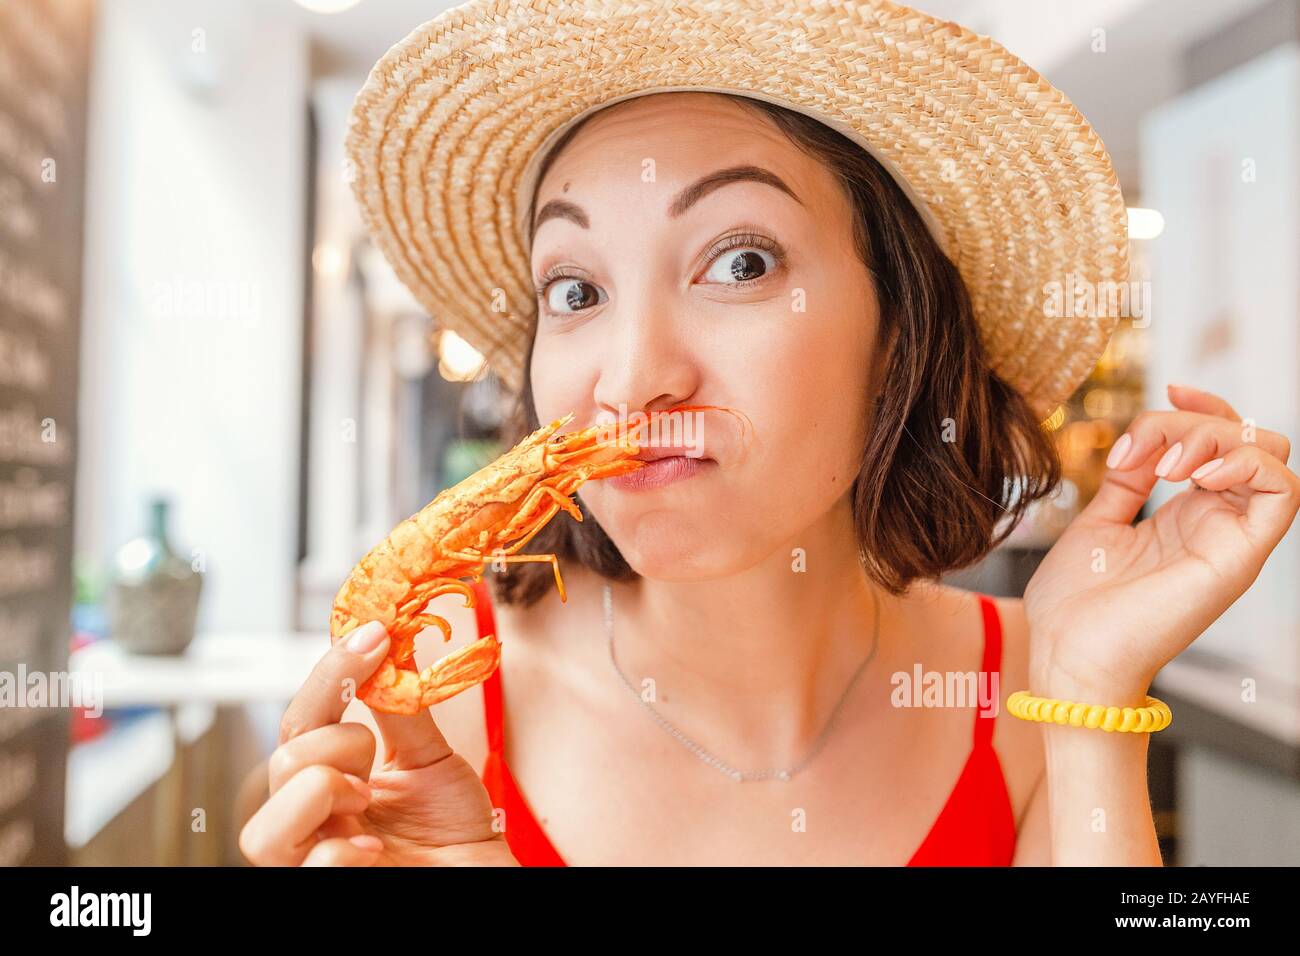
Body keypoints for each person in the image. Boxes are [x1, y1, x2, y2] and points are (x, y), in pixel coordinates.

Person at [239, 0, 1300, 866]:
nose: (633, 375)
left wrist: (1086, 704)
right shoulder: (419, 735)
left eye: (739, 262)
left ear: (898, 331)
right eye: (573, 287)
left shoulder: (1036, 685)